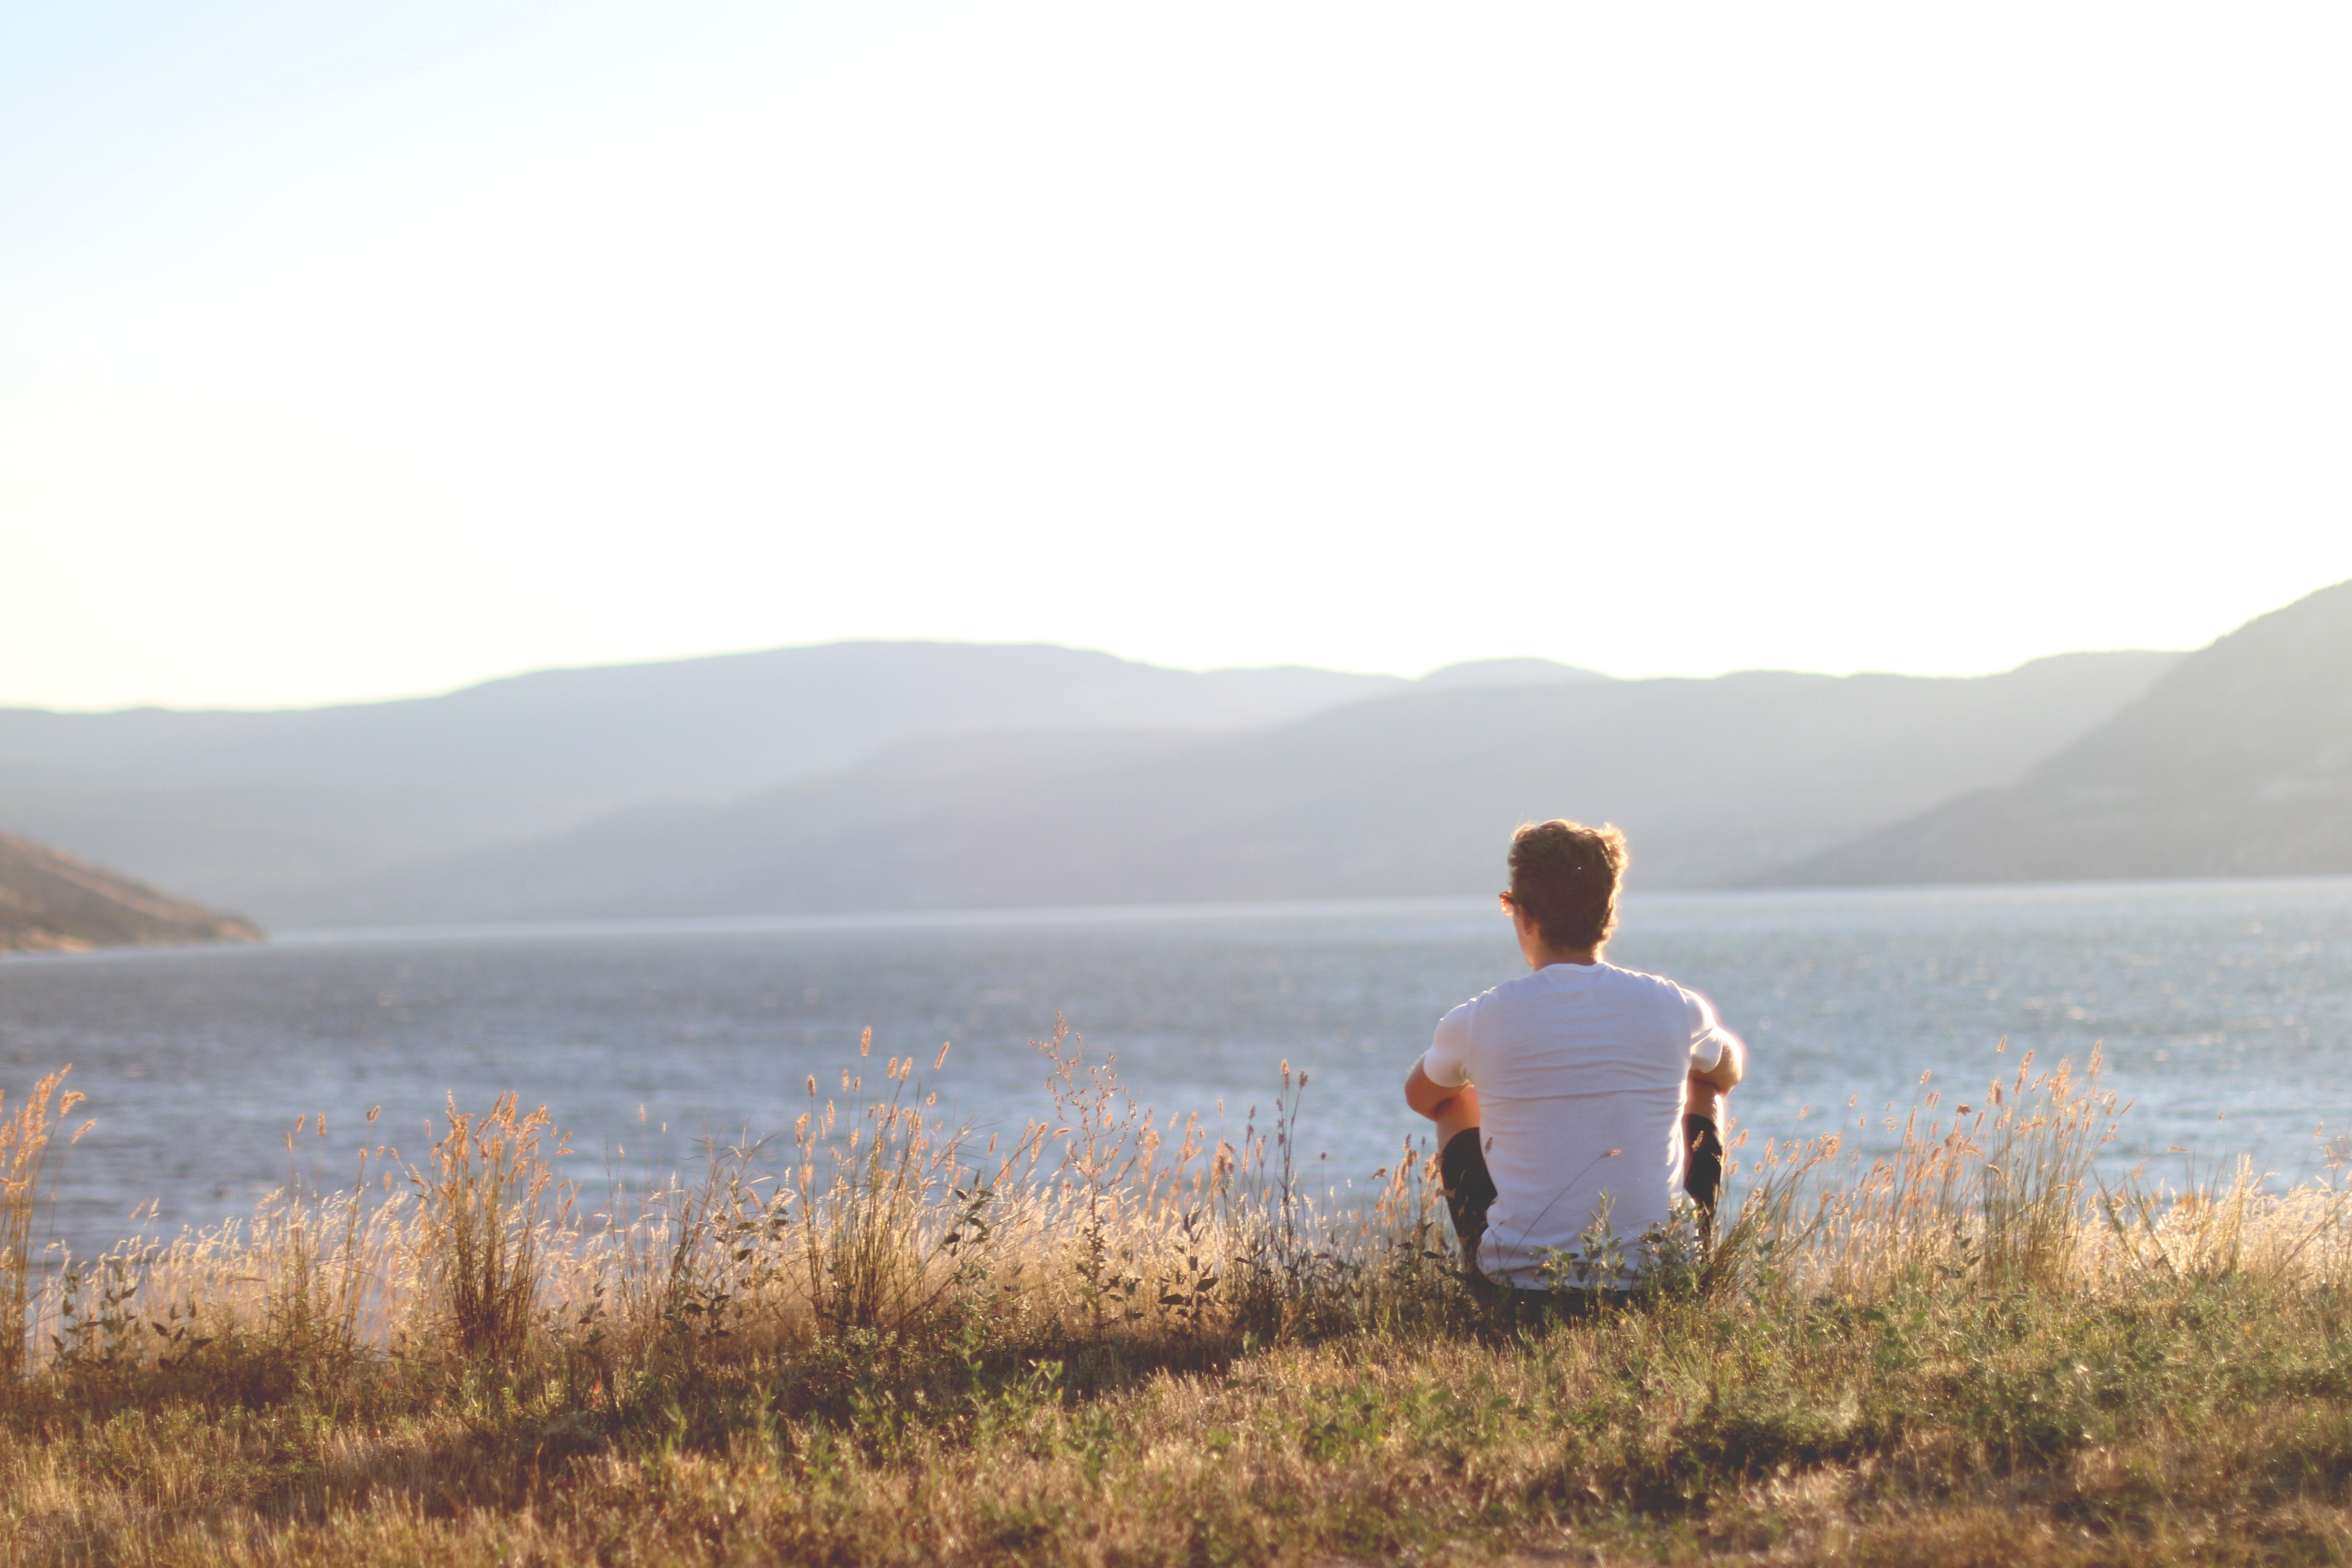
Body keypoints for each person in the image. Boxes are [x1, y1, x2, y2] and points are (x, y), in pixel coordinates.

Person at [1404, 819, 1744, 1305]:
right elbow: (1727, 1073)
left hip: (1518, 1291)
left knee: (1456, 1099)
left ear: (1523, 914)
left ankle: (1486, 1269)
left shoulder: (1479, 1018)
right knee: (1702, 1084)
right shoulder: (1674, 1005)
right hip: (1661, 1282)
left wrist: (1485, 1066)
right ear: (1608, 913)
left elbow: (1422, 1097)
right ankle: (1688, 1259)